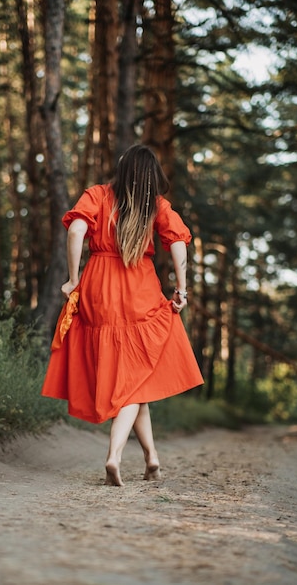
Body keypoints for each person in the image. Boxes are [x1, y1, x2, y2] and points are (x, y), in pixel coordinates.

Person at [41, 144, 203, 486]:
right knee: (131, 380)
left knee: (134, 378)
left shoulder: (98, 194)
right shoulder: (155, 205)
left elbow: (75, 230)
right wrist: (182, 288)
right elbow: (178, 241)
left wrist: (73, 279)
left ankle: (151, 458)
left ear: (122, 168)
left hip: (99, 286)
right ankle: (114, 457)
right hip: (138, 287)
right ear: (151, 175)